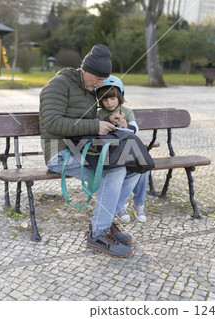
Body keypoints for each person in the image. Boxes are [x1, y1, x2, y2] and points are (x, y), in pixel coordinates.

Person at [39, 44, 140, 258]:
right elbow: (52, 122)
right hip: (59, 153)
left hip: (82, 148)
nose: (101, 85)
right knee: (113, 172)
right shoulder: (58, 86)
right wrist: (95, 127)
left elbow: (83, 121)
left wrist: (106, 120)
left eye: (104, 80)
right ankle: (98, 233)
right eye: (98, 79)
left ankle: (104, 223)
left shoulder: (88, 89)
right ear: (85, 70)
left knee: (130, 166)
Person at [96, 76, 149, 223]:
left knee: (144, 169)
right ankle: (119, 206)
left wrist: (125, 125)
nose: (109, 103)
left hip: (127, 150)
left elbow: (135, 129)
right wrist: (108, 122)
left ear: (120, 96)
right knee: (131, 169)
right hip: (111, 153)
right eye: (105, 100)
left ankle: (139, 204)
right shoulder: (100, 114)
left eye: (112, 98)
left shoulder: (127, 111)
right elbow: (98, 133)